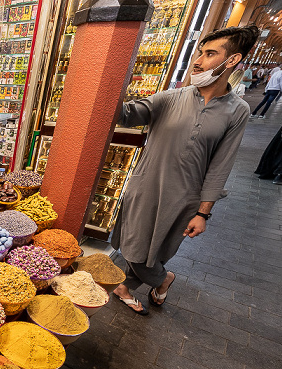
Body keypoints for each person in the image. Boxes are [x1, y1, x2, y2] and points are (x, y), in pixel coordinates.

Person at [111, 25, 259, 314]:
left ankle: (124, 286)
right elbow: (126, 115)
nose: (198, 61)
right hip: (146, 188)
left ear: (232, 60)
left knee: (156, 251)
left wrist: (203, 212)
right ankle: (164, 280)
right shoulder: (171, 98)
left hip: (184, 199)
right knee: (133, 248)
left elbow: (221, 164)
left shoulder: (238, 111)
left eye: (209, 54)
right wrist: (110, 84)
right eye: (200, 53)